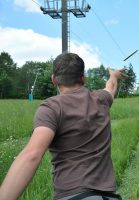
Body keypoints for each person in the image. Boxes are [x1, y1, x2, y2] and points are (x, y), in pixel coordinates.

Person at [0, 53, 126, 200]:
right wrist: (114, 75)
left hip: (73, 196)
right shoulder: (100, 99)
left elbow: (32, 155)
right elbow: (110, 87)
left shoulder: (51, 108)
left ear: (53, 79)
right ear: (82, 78)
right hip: (109, 196)